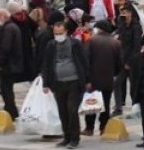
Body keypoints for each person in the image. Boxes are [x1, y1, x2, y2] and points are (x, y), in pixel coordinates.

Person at [40, 17, 89, 149]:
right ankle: (66, 137)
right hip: (58, 82)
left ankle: (74, 138)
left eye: (60, 33)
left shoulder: (75, 44)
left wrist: (87, 80)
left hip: (74, 81)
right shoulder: (51, 45)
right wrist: (46, 83)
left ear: (66, 32)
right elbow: (46, 64)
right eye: (56, 33)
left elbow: (84, 62)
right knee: (62, 111)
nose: (58, 36)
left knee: (72, 110)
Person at [82, 19, 122, 136]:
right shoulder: (116, 43)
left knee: (91, 103)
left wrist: (87, 79)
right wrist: (113, 74)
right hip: (108, 79)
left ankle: (89, 128)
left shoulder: (91, 41)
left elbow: (85, 60)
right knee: (106, 104)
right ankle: (103, 127)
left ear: (99, 29)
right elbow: (120, 63)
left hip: (93, 80)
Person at [0, 8, 24, 120]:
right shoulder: (11, 27)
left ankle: (11, 111)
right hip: (12, 65)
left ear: (4, 16)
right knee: (7, 89)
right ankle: (11, 110)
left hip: (8, 66)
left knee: (6, 90)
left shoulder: (8, 29)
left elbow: (5, 48)